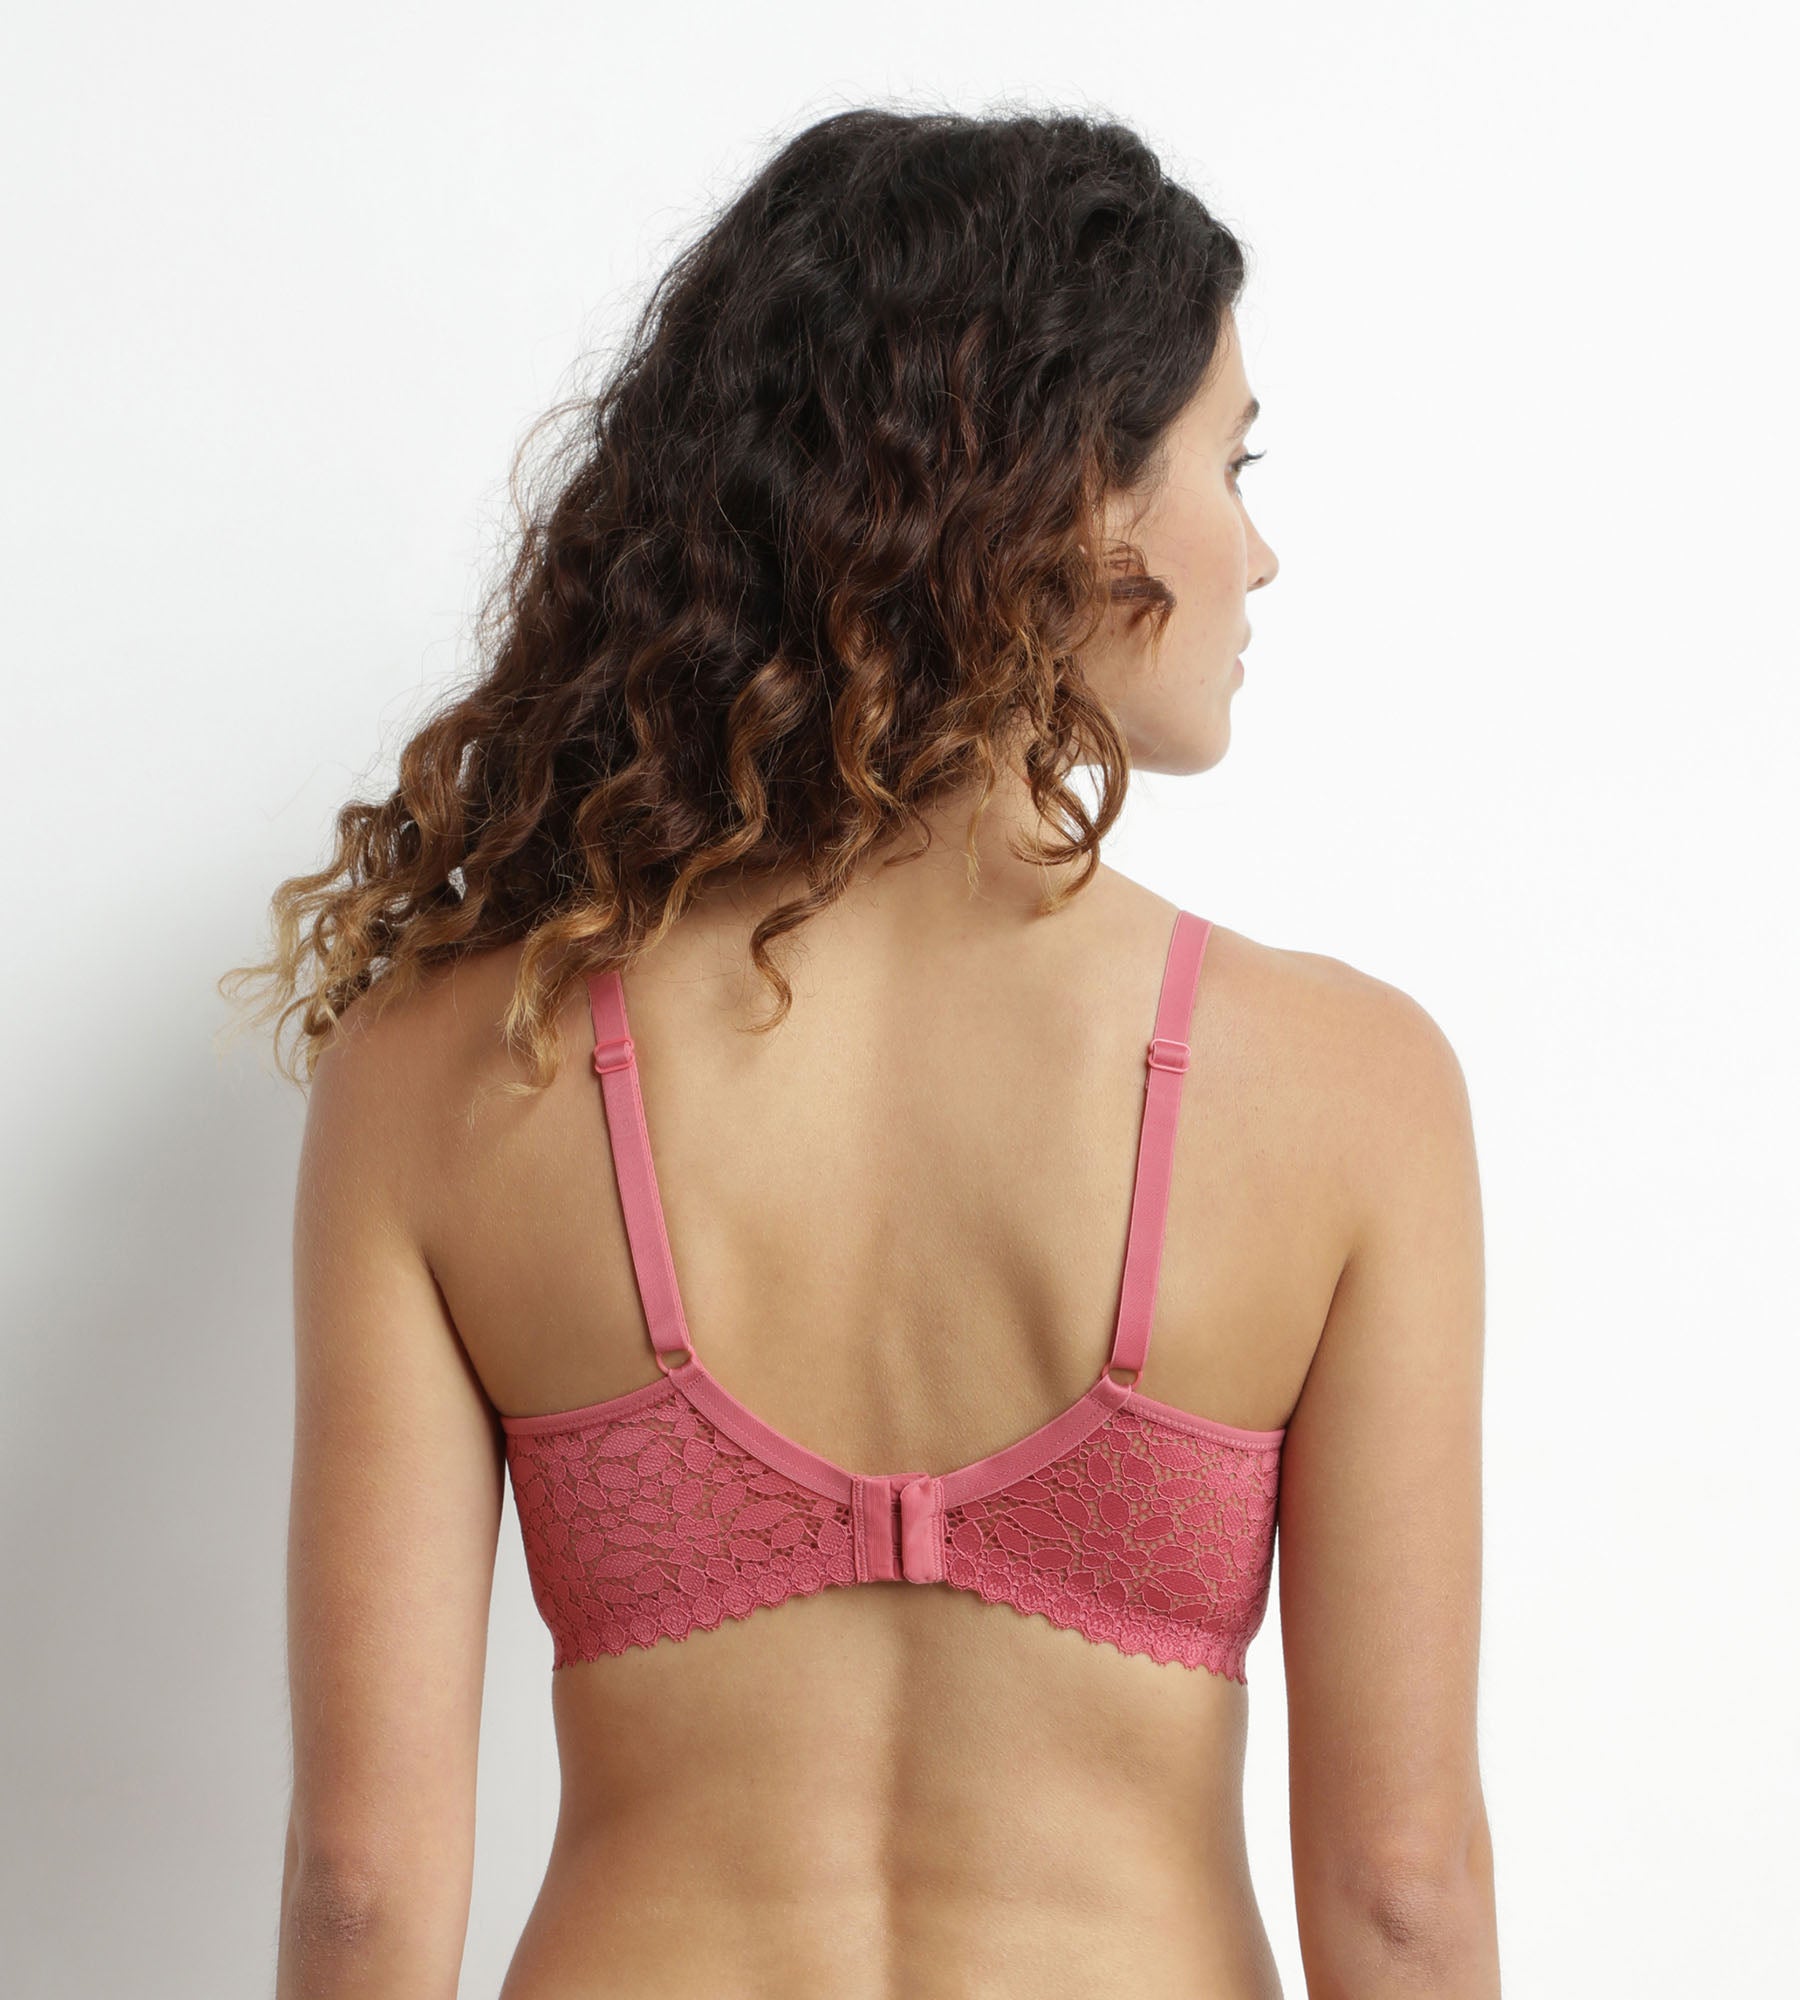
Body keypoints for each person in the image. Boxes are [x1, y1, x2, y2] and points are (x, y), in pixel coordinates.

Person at [229, 105, 1500, 1999]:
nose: (1262, 552)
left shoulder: (446, 1075)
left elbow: (360, 1885)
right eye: (1230, 464)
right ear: (1066, 498)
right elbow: (1400, 1888)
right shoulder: (1348, 1092)